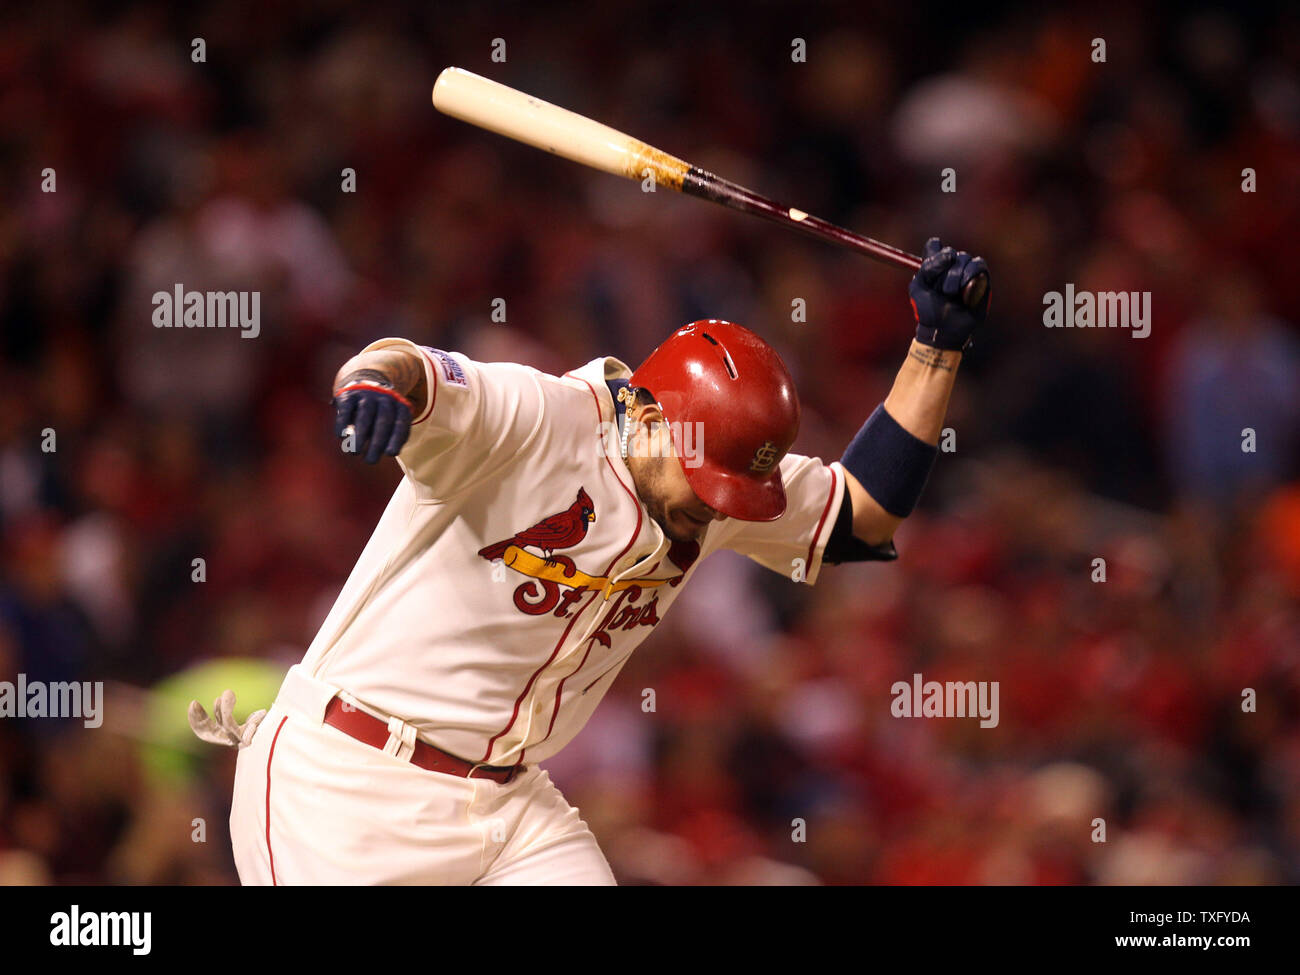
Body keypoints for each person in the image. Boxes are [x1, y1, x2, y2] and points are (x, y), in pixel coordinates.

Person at [190, 237, 989, 884]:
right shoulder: (543, 418)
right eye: (707, 480)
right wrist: (374, 382)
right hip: (347, 780)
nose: (714, 505)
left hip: (507, 801)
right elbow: (413, 367)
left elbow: (861, 512)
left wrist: (934, 351)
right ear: (645, 413)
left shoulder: (715, 475)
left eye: (732, 490)